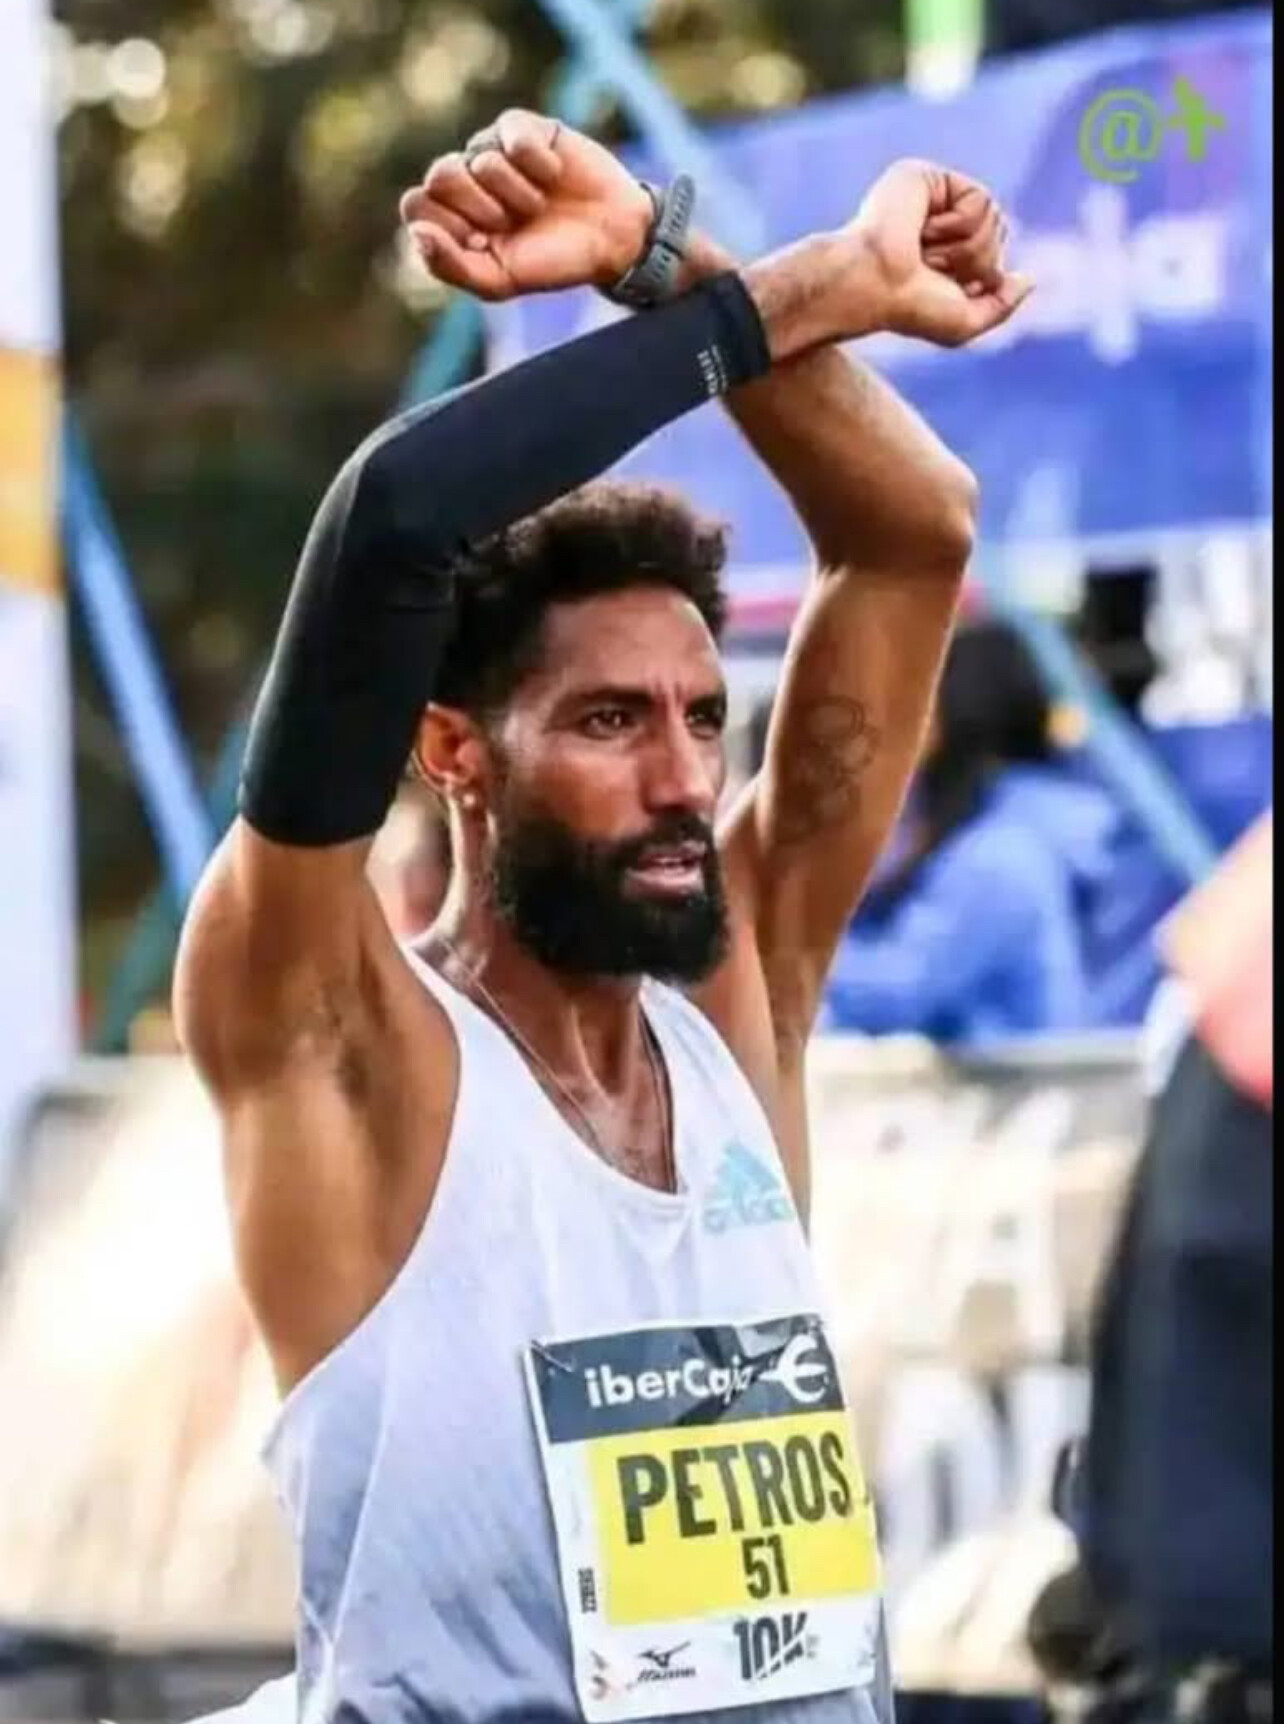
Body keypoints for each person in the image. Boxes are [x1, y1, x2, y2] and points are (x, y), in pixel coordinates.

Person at [174, 109, 1031, 1723]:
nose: (684, 779)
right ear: (453, 751)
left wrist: (657, 251)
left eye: (703, 718)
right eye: (608, 721)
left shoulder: (733, 1001)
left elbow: (912, 531)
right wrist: (812, 286)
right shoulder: (341, 1040)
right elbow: (393, 520)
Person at [822, 618, 1118, 1043]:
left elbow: (900, 991)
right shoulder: (1015, 831)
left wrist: (782, 950)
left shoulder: (998, 858)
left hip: (1021, 1082)